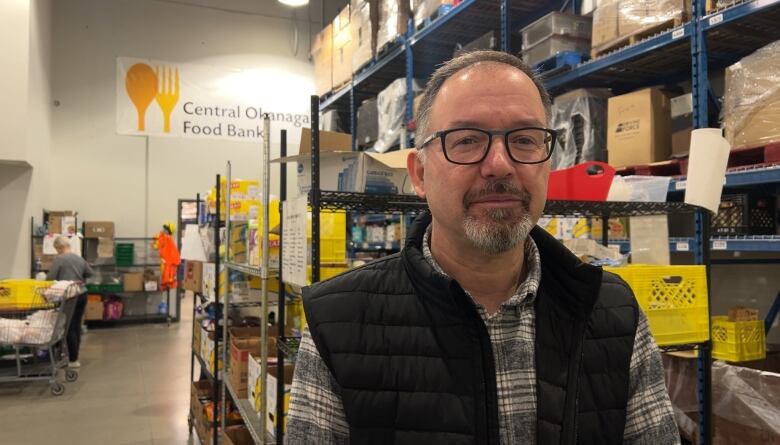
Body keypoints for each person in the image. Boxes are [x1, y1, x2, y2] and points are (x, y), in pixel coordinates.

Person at [287, 51, 679, 445]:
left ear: (547, 165)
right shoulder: (338, 323)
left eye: (524, 140)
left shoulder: (613, 313)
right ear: (420, 174)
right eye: (467, 140)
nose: (499, 164)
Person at [47, 235, 93, 368]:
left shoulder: (59, 259)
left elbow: (50, 277)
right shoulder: (79, 258)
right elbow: (90, 273)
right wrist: (79, 276)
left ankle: (73, 360)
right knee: (76, 325)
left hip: (69, 296)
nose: (57, 251)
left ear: (60, 247)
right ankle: (75, 356)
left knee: (68, 326)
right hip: (82, 293)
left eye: (56, 249)